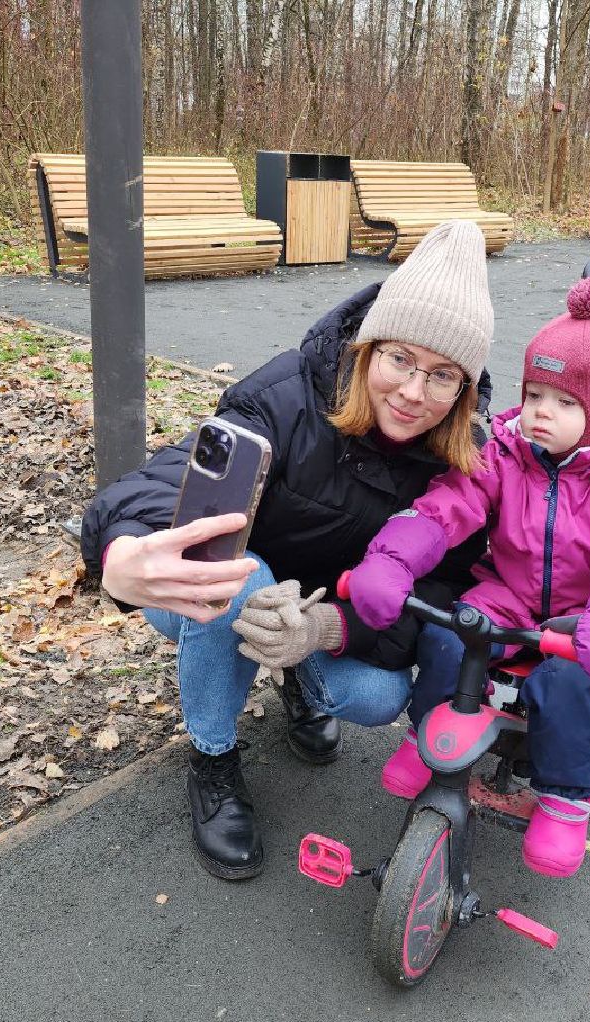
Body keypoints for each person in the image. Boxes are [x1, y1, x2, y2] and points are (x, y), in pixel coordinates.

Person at [81, 220, 496, 880]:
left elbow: (441, 590)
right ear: (368, 350)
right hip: (227, 588)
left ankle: (296, 678)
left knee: (382, 694)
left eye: (443, 375)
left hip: (326, 614)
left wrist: (323, 630)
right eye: (400, 360)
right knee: (238, 583)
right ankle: (214, 758)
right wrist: (125, 545)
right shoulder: (285, 395)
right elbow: (178, 473)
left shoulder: (466, 465)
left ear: (464, 390)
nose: (415, 392)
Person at [346, 276, 590, 878]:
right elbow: (449, 505)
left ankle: (565, 798)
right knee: (449, 637)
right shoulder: (506, 449)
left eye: (566, 402)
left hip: (583, 616)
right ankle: (432, 736)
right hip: (512, 591)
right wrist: (392, 558)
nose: (541, 412)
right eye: (535, 393)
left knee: (574, 685)